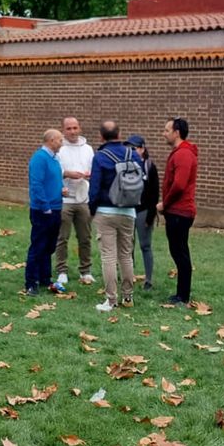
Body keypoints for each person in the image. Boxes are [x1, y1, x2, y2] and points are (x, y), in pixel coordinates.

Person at [88, 121, 141, 312]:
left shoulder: (100, 157)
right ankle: (128, 297)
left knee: (108, 256)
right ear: (120, 134)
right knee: (126, 255)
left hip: (105, 210)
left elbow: (94, 187)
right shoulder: (133, 154)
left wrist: (92, 209)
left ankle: (111, 300)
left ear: (102, 137)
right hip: (129, 211)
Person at [158, 118, 198, 305]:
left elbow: (179, 185)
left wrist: (165, 204)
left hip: (180, 212)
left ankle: (183, 295)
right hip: (176, 211)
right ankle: (182, 293)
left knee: (180, 252)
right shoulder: (180, 153)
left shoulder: (183, 154)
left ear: (177, 133)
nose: (164, 133)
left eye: (167, 130)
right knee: (178, 251)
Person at [54, 116, 95, 289]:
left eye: (75, 128)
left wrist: (88, 174)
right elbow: (55, 170)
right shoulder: (59, 149)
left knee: (85, 237)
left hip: (83, 199)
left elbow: (94, 169)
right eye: (68, 128)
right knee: (62, 237)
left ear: (80, 128)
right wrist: (67, 173)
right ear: (63, 130)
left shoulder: (88, 149)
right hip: (65, 199)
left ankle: (85, 270)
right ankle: (62, 271)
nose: (72, 131)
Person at [26, 129, 65, 295]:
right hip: (43, 210)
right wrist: (45, 206)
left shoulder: (55, 159)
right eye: (60, 140)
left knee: (49, 246)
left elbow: (53, 181)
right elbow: (36, 184)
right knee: (38, 245)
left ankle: (44, 277)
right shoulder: (40, 159)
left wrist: (60, 190)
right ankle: (31, 282)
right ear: (51, 140)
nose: (62, 143)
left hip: (56, 207)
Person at [128, 134, 159, 292]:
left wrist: (150, 215)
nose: (132, 151)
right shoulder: (125, 165)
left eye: (134, 148)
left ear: (142, 149)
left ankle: (148, 279)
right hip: (128, 210)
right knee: (128, 246)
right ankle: (128, 276)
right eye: (129, 148)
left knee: (145, 245)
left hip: (143, 210)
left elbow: (154, 193)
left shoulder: (149, 166)